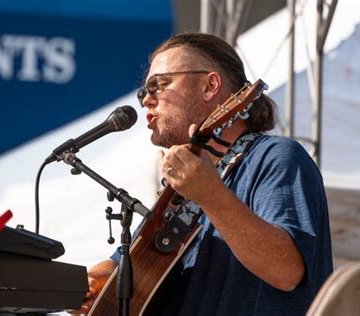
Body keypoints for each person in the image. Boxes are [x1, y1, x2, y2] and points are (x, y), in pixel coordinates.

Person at [75, 32, 333, 315]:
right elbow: (127, 264)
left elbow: (288, 271)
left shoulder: (276, 157)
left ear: (210, 86)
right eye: (143, 92)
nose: (146, 100)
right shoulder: (181, 189)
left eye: (160, 85)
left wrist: (211, 195)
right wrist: (94, 282)